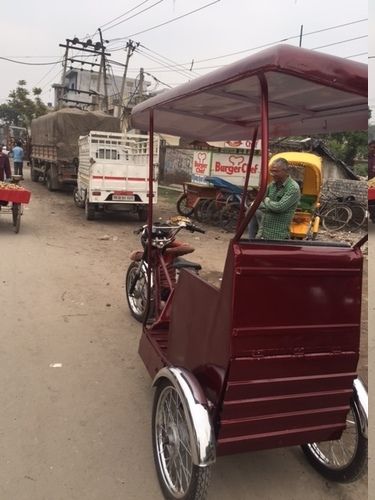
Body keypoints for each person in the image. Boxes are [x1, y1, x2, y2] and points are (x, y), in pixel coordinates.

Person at [255, 157, 301, 240]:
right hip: (262, 234)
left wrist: (266, 200)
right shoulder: (272, 185)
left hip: (278, 237)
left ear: (286, 171)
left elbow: (279, 207)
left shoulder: (293, 188)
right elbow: (258, 203)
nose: (272, 174)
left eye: (276, 171)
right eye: (271, 171)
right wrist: (269, 206)